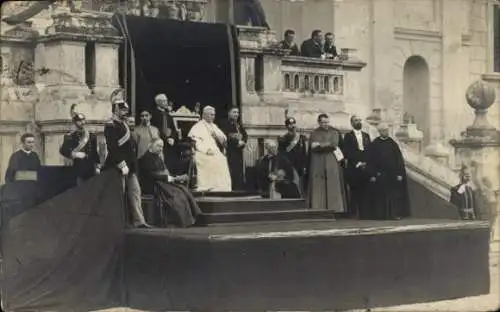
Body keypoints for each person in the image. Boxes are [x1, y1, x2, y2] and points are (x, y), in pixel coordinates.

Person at [104, 98, 150, 228]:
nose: (125, 112)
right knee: (119, 195)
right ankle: (118, 223)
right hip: (118, 166)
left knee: (135, 193)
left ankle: (139, 221)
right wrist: (121, 164)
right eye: (122, 110)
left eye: (126, 110)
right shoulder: (110, 125)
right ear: (116, 109)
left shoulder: (124, 125)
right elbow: (112, 147)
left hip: (130, 165)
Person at [138, 139, 202, 228]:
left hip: (162, 182)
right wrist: (171, 178)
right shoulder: (145, 158)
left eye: (162, 147)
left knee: (183, 190)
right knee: (177, 195)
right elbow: (151, 175)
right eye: (158, 146)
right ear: (150, 146)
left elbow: (164, 172)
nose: (160, 148)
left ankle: (194, 217)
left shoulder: (157, 157)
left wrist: (175, 177)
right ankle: (182, 221)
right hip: (152, 184)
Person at [366, 123, 410, 220]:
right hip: (379, 174)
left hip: (392, 175)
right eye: (383, 130)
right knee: (380, 195)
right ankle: (381, 215)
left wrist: (399, 174)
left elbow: (399, 160)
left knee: (393, 195)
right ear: (380, 132)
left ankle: (393, 214)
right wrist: (372, 174)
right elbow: (371, 160)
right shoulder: (374, 144)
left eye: (386, 130)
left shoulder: (392, 143)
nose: (385, 132)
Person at [306, 114, 346, 212]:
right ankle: (318, 207)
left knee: (332, 183)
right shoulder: (314, 133)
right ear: (319, 122)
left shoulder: (334, 132)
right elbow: (312, 147)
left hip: (330, 160)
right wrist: (323, 145)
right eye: (323, 122)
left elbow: (333, 144)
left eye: (327, 122)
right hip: (318, 161)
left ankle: (335, 208)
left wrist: (320, 144)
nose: (325, 124)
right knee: (318, 184)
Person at [188, 106, 232, 192]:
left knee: (222, 159)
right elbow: (196, 142)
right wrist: (206, 150)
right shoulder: (198, 126)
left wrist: (217, 136)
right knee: (211, 161)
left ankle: (221, 187)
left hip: (215, 151)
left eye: (214, 115)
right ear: (204, 115)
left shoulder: (214, 126)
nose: (213, 117)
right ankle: (208, 186)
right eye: (211, 115)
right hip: (202, 152)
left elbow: (223, 138)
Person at [342, 115, 371, 218]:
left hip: (365, 166)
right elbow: (347, 152)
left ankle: (365, 213)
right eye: (356, 120)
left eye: (359, 120)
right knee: (354, 191)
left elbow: (370, 151)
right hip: (354, 167)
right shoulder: (348, 136)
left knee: (366, 190)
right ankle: (354, 213)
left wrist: (366, 163)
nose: (358, 122)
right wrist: (357, 163)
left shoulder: (366, 135)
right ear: (351, 123)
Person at [59, 112, 101, 185]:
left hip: (90, 168)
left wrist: (97, 167)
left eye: (83, 120)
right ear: (75, 122)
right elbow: (63, 150)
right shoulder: (70, 136)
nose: (82, 122)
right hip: (78, 169)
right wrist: (75, 154)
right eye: (79, 121)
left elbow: (95, 152)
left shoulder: (91, 136)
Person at [4, 132, 42, 207]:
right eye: (29, 142)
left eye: (33, 142)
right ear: (23, 143)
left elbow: (39, 172)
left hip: (32, 190)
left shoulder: (35, 156)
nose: (31, 144)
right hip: (20, 190)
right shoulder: (16, 156)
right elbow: (10, 174)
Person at [220, 107, 248, 191]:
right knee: (230, 171)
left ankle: (238, 189)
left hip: (238, 152)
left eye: (237, 112)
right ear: (229, 113)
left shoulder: (239, 125)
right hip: (229, 151)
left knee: (239, 172)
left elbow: (245, 135)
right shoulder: (224, 124)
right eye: (234, 112)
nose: (236, 114)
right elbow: (224, 137)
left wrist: (243, 142)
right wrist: (236, 142)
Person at [278, 117, 308, 191]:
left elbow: (304, 152)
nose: (293, 126)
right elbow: (281, 153)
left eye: (293, 123)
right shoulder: (283, 138)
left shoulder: (301, 138)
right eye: (290, 124)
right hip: (289, 164)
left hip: (300, 164)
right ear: (287, 126)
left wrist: (305, 165)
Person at [154, 93, 178, 167]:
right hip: (158, 142)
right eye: (164, 101)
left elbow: (173, 129)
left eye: (166, 100)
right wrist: (166, 138)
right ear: (158, 102)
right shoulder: (153, 114)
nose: (166, 103)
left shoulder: (169, 116)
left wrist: (172, 138)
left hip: (169, 145)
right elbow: (156, 129)